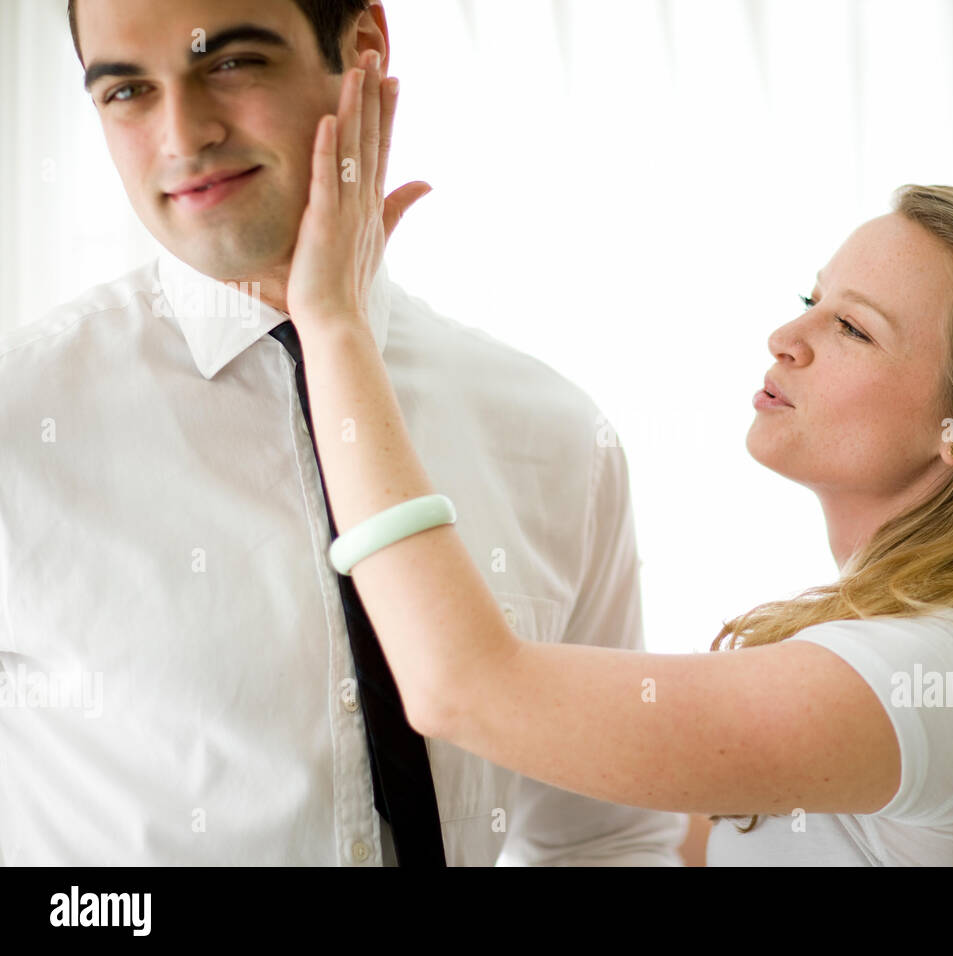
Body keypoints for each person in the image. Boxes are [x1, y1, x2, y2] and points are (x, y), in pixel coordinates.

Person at [282, 53, 953, 865]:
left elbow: (459, 688)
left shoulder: (919, 675)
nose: (786, 337)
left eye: (852, 328)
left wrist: (333, 325)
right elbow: (677, 833)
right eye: (811, 300)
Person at [0, 0, 689, 866]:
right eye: (128, 90)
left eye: (230, 64)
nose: (183, 135)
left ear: (362, 49)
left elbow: (605, 836)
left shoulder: (554, 434)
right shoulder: (20, 426)